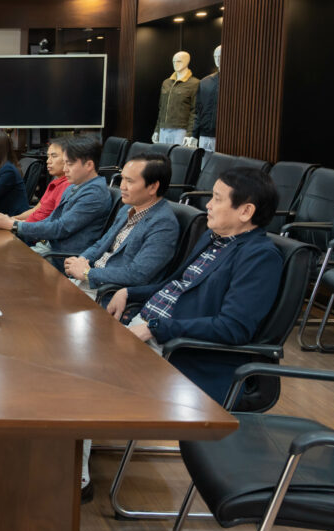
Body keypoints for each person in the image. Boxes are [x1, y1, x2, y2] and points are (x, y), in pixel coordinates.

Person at [105, 167, 284, 403]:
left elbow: (233, 327)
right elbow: (174, 285)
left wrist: (156, 329)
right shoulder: (214, 238)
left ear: (245, 211)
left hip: (179, 350)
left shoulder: (260, 257)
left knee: (86, 377)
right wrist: (128, 291)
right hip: (146, 329)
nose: (208, 205)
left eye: (217, 199)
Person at [63, 154, 179, 301]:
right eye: (122, 178)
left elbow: (138, 274)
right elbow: (101, 244)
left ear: (153, 187)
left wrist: (87, 273)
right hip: (91, 281)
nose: (122, 186)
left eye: (129, 181)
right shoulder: (128, 208)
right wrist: (80, 261)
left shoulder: (164, 224)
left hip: (108, 292)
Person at [0, 135, 111, 261]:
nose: (65, 169)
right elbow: (51, 220)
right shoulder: (75, 186)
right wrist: (14, 223)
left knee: (1, 258)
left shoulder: (94, 193)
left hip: (63, 258)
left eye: (69, 164)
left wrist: (14, 225)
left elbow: (60, 228)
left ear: (89, 165)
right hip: (50, 249)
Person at [10, 138, 70, 223]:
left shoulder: (67, 185)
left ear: (69, 159)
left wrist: (16, 224)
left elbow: (54, 223)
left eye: (54, 156)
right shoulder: (54, 182)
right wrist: (13, 219)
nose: (48, 161)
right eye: (48, 156)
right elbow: (36, 209)